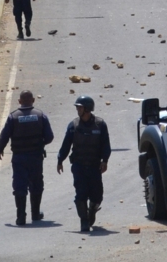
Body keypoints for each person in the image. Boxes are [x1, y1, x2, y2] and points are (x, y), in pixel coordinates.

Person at [0, 90, 54, 226]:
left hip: (19, 157)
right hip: (35, 156)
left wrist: (0, 149)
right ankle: (35, 213)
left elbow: (4, 135)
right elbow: (50, 137)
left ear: (19, 101)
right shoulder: (40, 116)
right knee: (36, 183)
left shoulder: (13, 117)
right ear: (33, 100)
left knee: (19, 184)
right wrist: (39, 143)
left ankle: (21, 216)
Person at [57, 96, 111, 232]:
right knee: (81, 194)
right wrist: (60, 160)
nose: (77, 109)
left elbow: (106, 145)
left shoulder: (100, 124)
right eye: (77, 107)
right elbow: (66, 145)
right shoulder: (73, 125)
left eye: (80, 107)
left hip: (94, 166)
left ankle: (92, 210)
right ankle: (84, 221)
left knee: (97, 194)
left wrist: (105, 161)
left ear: (87, 109)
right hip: (79, 166)